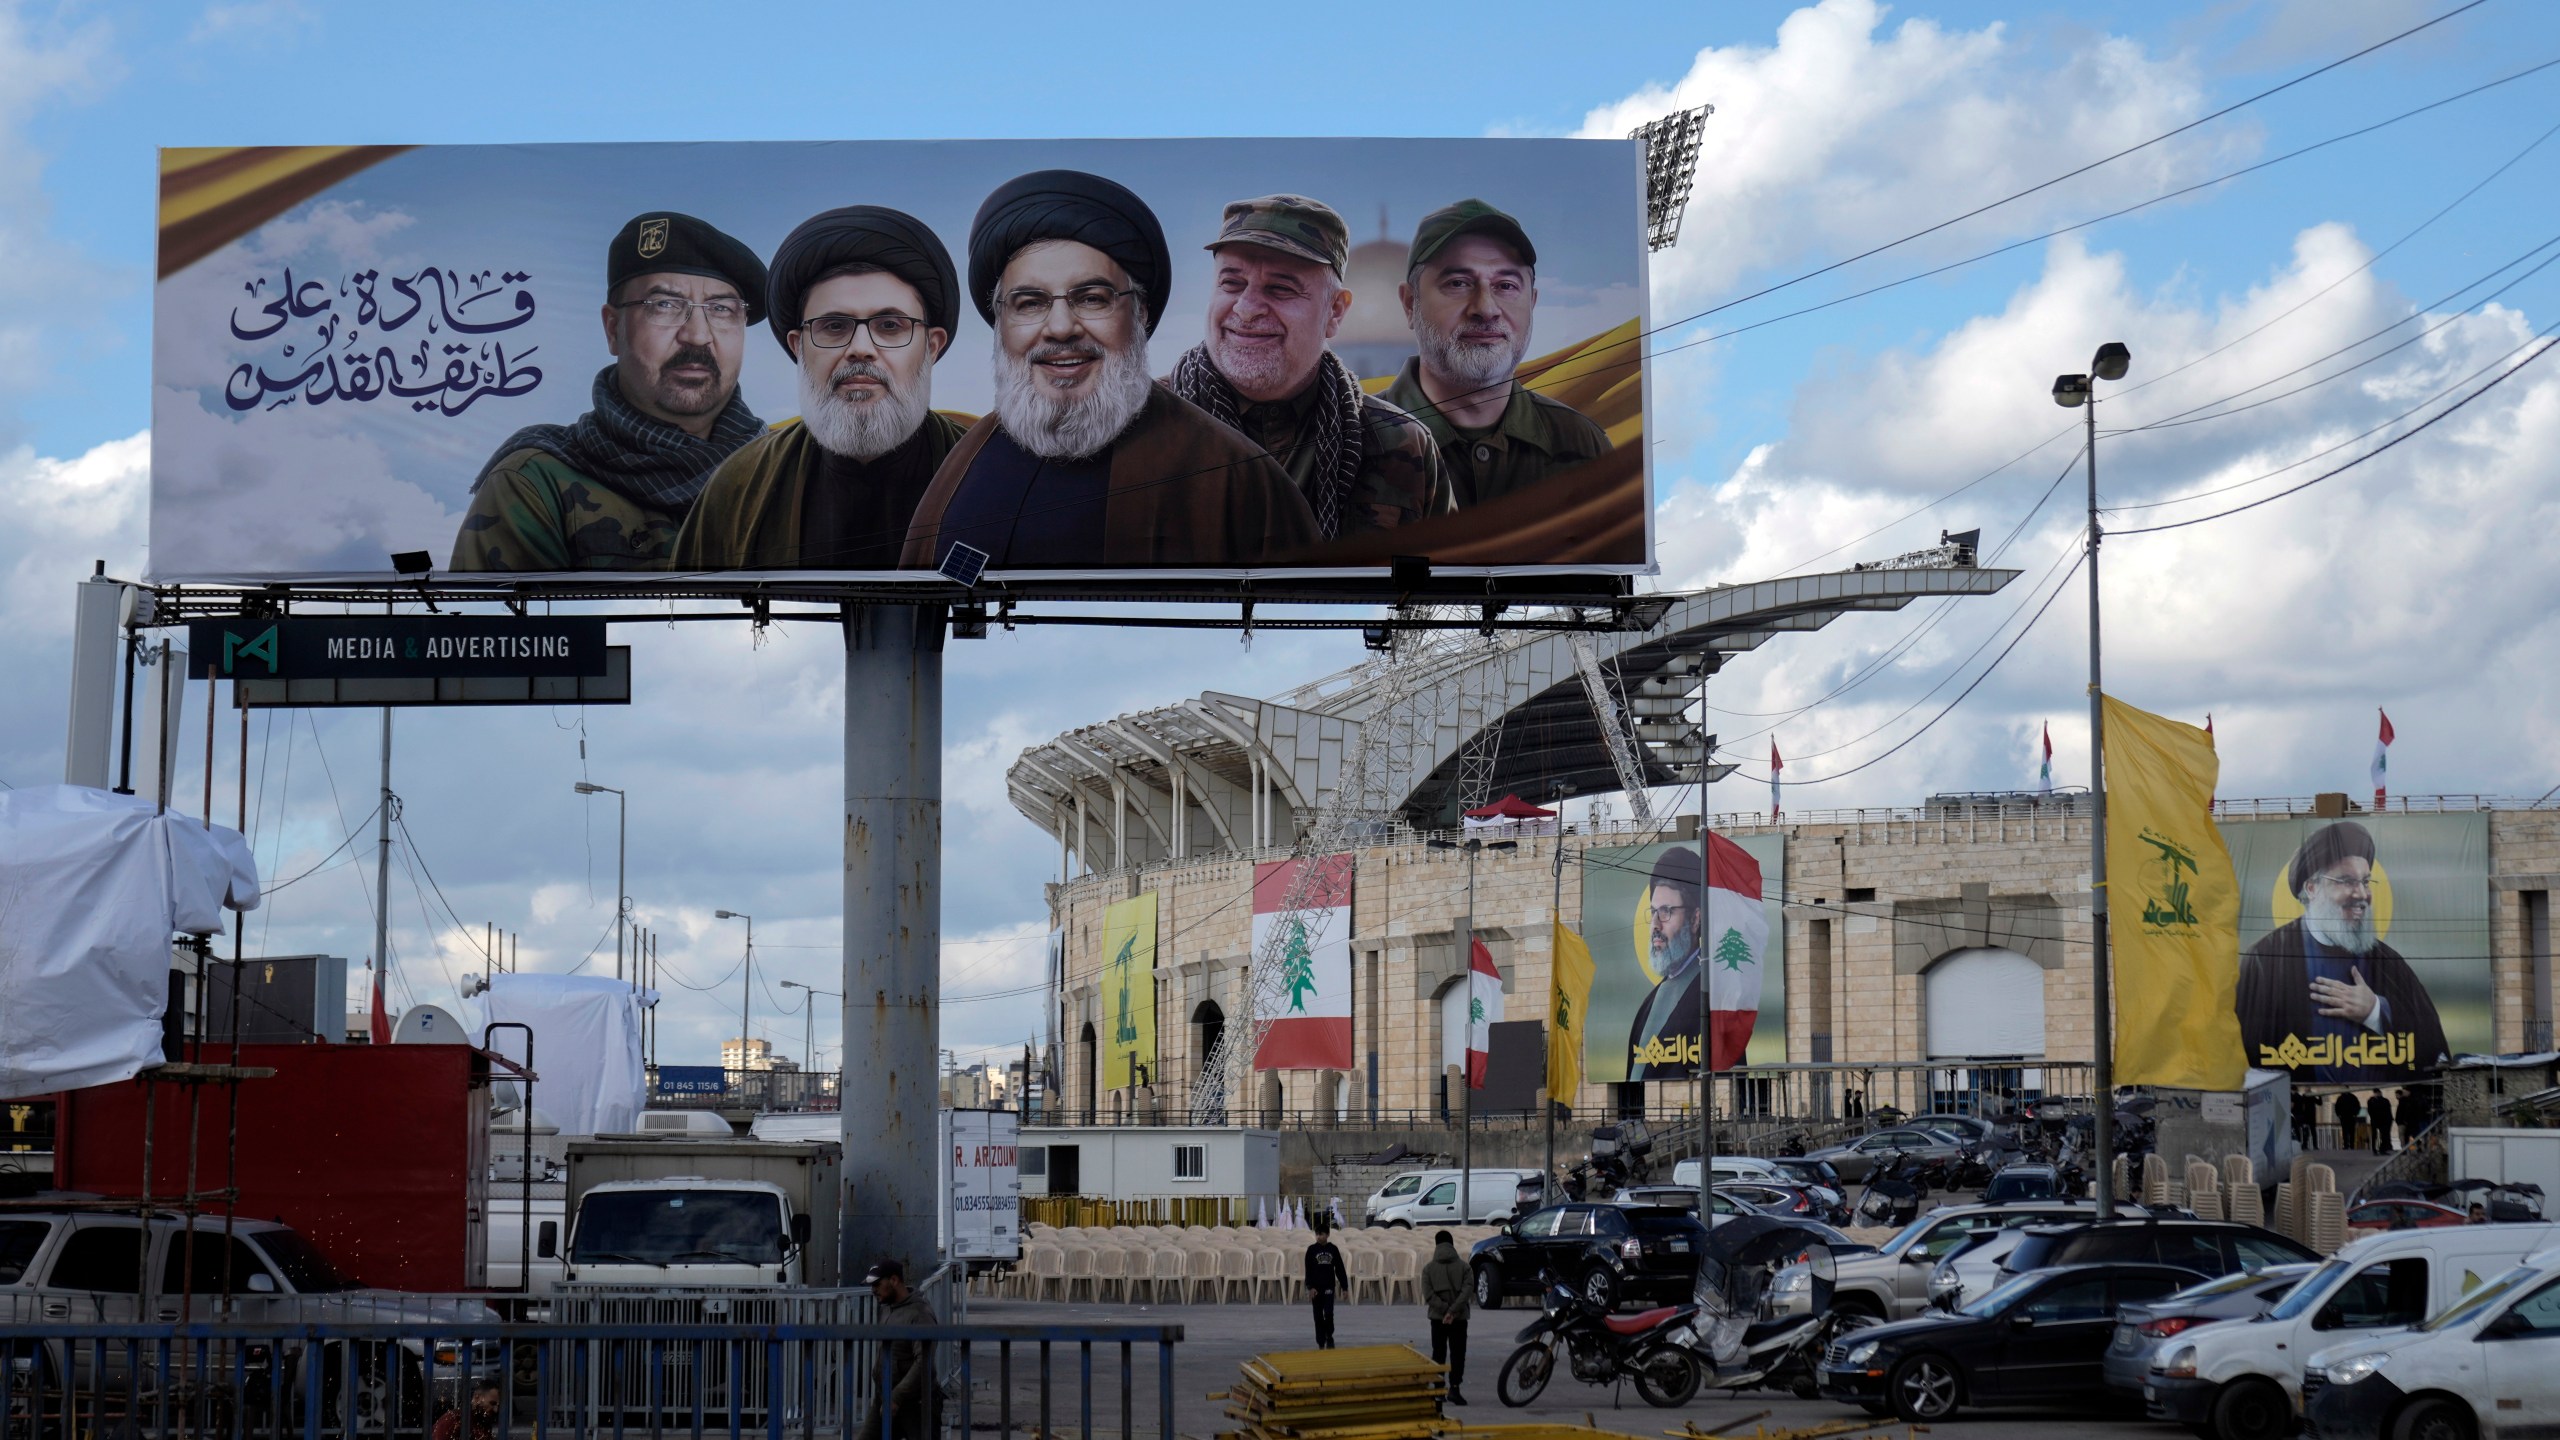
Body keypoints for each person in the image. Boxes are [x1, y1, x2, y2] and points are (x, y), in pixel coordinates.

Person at [900, 170, 1318, 569]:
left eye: (1092, 299)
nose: (1061, 328)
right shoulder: (966, 463)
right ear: (1001, 324)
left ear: (1140, 314)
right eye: (1030, 304)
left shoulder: (1236, 480)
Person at [452, 212, 767, 570]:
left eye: (722, 309)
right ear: (613, 328)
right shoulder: (535, 484)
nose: (697, 334)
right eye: (664, 305)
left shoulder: (786, 475)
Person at [673, 207, 968, 570]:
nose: (861, 348)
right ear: (798, 347)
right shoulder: (740, 486)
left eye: (890, 325)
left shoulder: (987, 474)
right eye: (834, 326)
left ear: (931, 346)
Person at [1163, 194, 1453, 540]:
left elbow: (1446, 586)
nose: (1247, 308)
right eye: (1231, 283)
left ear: (1335, 312)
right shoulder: (1139, 425)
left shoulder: (1402, 444)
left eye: (1281, 289)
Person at [1378, 199, 1610, 508]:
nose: (1486, 309)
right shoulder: (1348, 445)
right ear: (1410, 304)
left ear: (1532, 303)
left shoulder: (1584, 447)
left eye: (1506, 285)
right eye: (1458, 283)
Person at [2236, 821, 2452, 1083]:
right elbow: (2240, 1051)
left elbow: (2434, 1051)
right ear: (2312, 888)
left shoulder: (2389, 963)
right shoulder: (2264, 960)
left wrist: (2375, 1010)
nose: (2361, 893)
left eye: (2365, 881)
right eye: (2347, 881)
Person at [1626, 848, 1705, 1081]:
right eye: (1653, 912)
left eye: (1666, 912)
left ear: (1695, 919)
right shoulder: (1647, 1005)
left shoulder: (1713, 994)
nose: (1655, 925)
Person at [860, 1258, 936, 1440]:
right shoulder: (888, 1308)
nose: (873, 1290)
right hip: (885, 1396)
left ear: (894, 1281)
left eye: (877, 1284)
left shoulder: (919, 1313)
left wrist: (897, 1396)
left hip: (914, 1402)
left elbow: (924, 1361)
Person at [1420, 1229, 1471, 1405]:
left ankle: (1439, 1389)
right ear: (1452, 1244)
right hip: (1459, 1319)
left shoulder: (1428, 1269)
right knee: (1458, 1353)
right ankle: (1455, 1389)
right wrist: (1453, 1311)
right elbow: (1467, 1292)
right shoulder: (1465, 1267)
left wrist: (1444, 1310)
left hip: (1437, 1319)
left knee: (1438, 1352)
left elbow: (1428, 1295)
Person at [1303, 1215, 1345, 1349]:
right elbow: (1308, 1270)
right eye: (1317, 1235)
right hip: (1316, 1288)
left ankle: (1329, 1335)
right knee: (1317, 1316)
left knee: (1328, 1313)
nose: (1319, 1237)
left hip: (1329, 1287)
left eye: (1321, 1234)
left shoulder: (1333, 1249)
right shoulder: (1311, 1250)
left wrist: (1345, 1287)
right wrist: (1310, 1287)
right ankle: (1320, 1341)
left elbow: (1339, 1268)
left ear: (1327, 1235)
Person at [431, 1380, 502, 1440]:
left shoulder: (482, 1423)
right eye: (492, 1403)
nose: (496, 1410)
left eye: (498, 1406)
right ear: (477, 1397)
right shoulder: (453, 1420)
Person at [2368, 1089, 2394, 1153]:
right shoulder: (2371, 1101)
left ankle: (2382, 1149)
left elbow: (2388, 1111)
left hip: (2383, 1120)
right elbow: (2370, 1110)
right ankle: (2375, 1149)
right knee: (2375, 1135)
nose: (2376, 1094)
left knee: (2384, 1135)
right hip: (2375, 1120)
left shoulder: (2384, 1101)